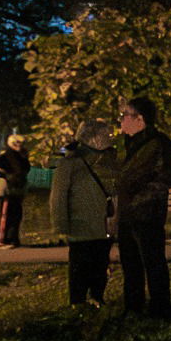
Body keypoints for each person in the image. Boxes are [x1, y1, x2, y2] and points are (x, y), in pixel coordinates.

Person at [113, 96, 171, 317]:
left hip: (147, 214)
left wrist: (138, 202)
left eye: (124, 115)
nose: (121, 120)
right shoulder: (126, 144)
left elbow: (162, 179)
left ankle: (160, 306)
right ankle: (133, 305)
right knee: (130, 264)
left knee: (153, 261)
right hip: (127, 214)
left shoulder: (159, 144)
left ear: (139, 118)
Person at [48, 119, 117, 309]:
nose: (108, 138)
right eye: (104, 134)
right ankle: (78, 301)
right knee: (80, 265)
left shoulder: (109, 160)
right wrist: (61, 224)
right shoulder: (70, 162)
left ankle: (96, 297)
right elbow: (59, 196)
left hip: (104, 224)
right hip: (81, 225)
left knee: (100, 263)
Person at [0, 133, 31, 248]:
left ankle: (13, 239)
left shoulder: (21, 155)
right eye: (17, 143)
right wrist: (5, 176)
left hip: (18, 188)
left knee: (16, 214)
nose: (19, 145)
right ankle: (2, 240)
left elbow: (25, 170)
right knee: (6, 214)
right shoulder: (6, 155)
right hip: (7, 188)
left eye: (21, 143)